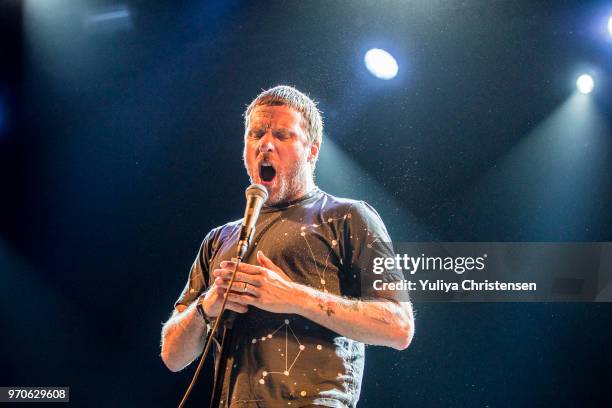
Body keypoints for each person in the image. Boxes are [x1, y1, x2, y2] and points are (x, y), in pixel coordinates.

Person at [161, 85, 414, 407]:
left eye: (282, 135)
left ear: (312, 150)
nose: (265, 145)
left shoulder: (347, 216)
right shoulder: (219, 239)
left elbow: (398, 327)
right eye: (255, 134)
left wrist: (291, 296)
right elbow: (172, 355)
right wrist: (210, 304)